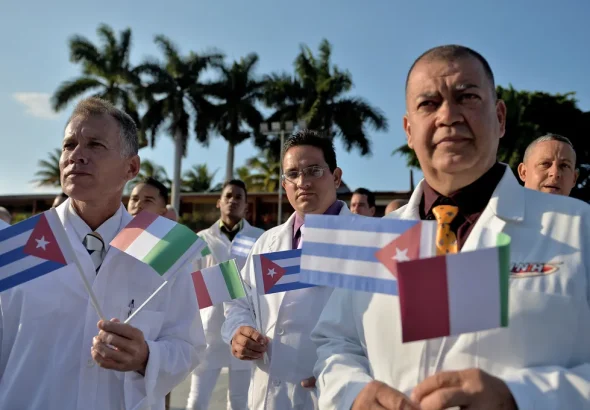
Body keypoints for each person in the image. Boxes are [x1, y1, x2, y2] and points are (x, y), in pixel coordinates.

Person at [312, 45, 590, 410]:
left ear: (500, 117)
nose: (448, 115)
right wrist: (351, 392)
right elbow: (335, 342)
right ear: (409, 130)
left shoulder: (579, 228)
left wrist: (522, 398)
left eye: (467, 96)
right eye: (429, 103)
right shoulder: (375, 239)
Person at [0, 97, 205, 409]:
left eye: (95, 145)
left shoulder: (164, 248)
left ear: (131, 167)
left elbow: (187, 346)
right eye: (69, 145)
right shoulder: (19, 245)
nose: (76, 156)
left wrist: (146, 356)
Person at [222, 130, 352, 409]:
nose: (302, 182)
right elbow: (239, 300)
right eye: (292, 174)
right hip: (268, 393)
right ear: (284, 185)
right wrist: (238, 330)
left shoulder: (366, 243)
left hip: (333, 395)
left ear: (336, 177)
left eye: (314, 170)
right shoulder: (267, 241)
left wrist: (353, 369)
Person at [186, 179, 265, 410]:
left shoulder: (260, 239)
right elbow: (190, 283)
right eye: (228, 196)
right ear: (219, 203)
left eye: (239, 197)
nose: (233, 200)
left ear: (246, 206)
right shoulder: (200, 239)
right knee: (196, 400)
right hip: (208, 330)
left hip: (245, 328)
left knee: (240, 401)